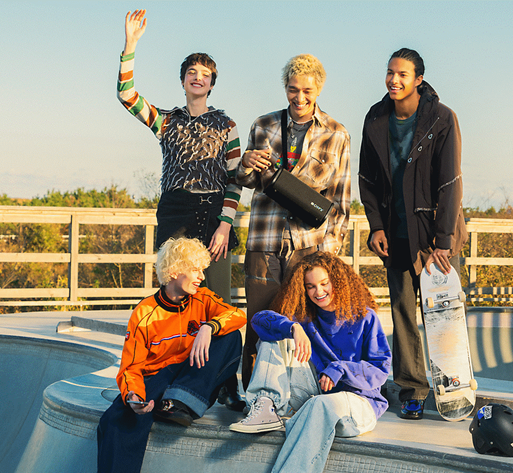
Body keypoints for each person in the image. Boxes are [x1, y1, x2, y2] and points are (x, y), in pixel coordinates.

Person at [358, 48, 468, 420]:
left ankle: (453, 383)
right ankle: (412, 389)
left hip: (436, 233)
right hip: (396, 233)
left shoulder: (441, 118)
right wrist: (375, 226)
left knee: (441, 312)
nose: (394, 80)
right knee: (404, 312)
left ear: (418, 79)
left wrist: (443, 241)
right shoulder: (375, 118)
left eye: (403, 74)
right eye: (390, 72)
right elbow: (367, 179)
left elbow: (450, 183)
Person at [236, 54, 351, 389]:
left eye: (307, 91)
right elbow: (243, 179)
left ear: (319, 90)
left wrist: (330, 256)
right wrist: (245, 162)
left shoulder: (337, 133)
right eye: (292, 89)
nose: (299, 98)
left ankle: (303, 392)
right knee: (259, 322)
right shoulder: (263, 125)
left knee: (307, 325)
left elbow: (341, 199)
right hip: (264, 242)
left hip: (310, 247)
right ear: (285, 88)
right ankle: (253, 396)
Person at [117, 9, 242, 305]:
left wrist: (225, 226)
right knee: (173, 294)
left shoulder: (228, 125)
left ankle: (217, 350)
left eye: (205, 75)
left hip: (214, 214)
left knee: (216, 298)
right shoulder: (166, 120)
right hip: (175, 210)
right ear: (183, 80)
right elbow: (127, 96)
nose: (197, 78)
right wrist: (130, 45)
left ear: (212, 84)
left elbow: (235, 180)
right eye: (191, 73)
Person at [229, 252, 391, 472]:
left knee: (318, 406)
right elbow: (259, 321)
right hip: (316, 394)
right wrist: (293, 327)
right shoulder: (305, 317)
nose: (319, 292)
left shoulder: (365, 317)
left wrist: (339, 369)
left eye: (325, 283)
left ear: (338, 282)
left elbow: (380, 371)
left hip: (359, 403)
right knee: (272, 338)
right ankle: (266, 404)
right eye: (311, 286)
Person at [96, 237, 246, 473]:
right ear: (175, 270)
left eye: (202, 270)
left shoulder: (203, 298)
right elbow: (131, 368)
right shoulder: (145, 312)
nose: (201, 277)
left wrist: (209, 327)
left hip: (193, 375)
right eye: (195, 270)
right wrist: (133, 395)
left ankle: (179, 403)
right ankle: (165, 404)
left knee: (230, 336)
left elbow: (238, 315)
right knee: (114, 422)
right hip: (157, 376)